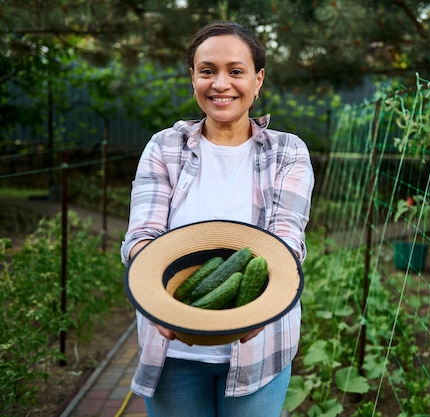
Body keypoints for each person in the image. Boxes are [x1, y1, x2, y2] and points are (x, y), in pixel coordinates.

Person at [120, 21, 314, 417]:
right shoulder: (165, 146)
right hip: (170, 347)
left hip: (261, 350)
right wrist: (160, 302)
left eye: (236, 71)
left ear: (258, 81)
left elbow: (286, 241)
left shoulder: (288, 152)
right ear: (193, 78)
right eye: (207, 70)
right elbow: (142, 236)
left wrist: (263, 307)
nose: (220, 83)